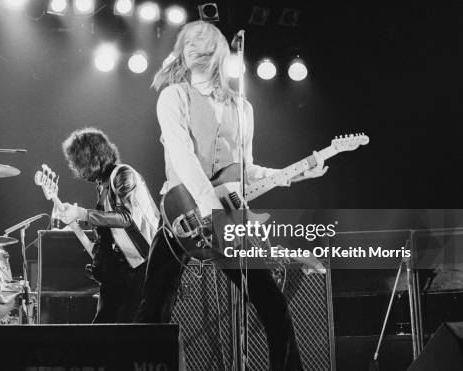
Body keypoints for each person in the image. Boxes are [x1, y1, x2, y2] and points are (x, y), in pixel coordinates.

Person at [135, 21, 328, 371]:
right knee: (153, 306)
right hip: (183, 210)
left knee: (272, 303)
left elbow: (245, 169)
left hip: (228, 215)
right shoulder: (174, 96)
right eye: (188, 40)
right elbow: (182, 155)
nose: (194, 45)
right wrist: (209, 207)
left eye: (203, 40)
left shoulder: (243, 108)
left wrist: (293, 174)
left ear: (219, 50)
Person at [54, 128, 160, 323]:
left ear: (93, 158)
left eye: (79, 164)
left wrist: (82, 214)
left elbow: (126, 217)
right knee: (103, 331)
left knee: (130, 333)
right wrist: (75, 223)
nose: (77, 170)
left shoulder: (123, 174)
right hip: (119, 271)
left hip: (143, 265)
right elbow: (105, 239)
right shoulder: (102, 184)